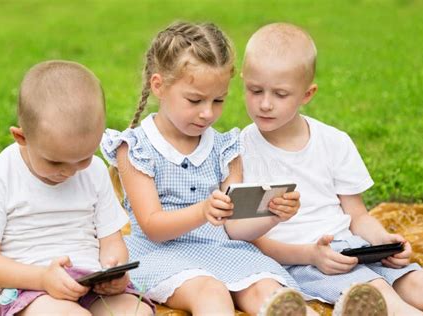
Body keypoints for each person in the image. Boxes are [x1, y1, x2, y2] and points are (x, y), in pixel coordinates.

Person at [101, 21, 318, 315]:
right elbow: (152, 226)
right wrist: (202, 211)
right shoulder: (136, 147)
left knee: (269, 289)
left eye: (218, 101)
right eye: (195, 100)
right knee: (211, 290)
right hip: (161, 254)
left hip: (223, 250)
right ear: (159, 86)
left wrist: (271, 214)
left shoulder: (224, 148)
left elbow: (236, 227)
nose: (207, 113)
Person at [240, 22, 423, 315]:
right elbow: (247, 237)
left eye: (280, 94)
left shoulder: (333, 141)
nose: (265, 104)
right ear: (243, 80)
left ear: (307, 94)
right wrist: (311, 254)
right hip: (301, 258)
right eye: (255, 90)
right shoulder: (240, 150)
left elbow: (357, 214)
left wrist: (383, 241)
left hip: (350, 247)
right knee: (380, 295)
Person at [0, 60, 154, 316]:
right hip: (29, 288)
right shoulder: (0, 176)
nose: (69, 171)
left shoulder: (95, 171)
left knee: (137, 312)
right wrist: (43, 279)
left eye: (83, 157)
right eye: (55, 161)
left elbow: (111, 241)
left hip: (90, 283)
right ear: (22, 137)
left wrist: (115, 269)